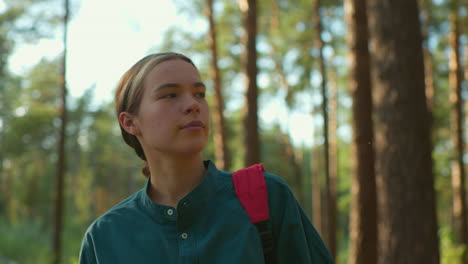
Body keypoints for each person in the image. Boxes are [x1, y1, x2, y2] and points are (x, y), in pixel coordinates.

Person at [79, 52, 333, 264]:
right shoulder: (104, 238)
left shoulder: (267, 196)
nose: (193, 104)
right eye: (170, 94)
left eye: (199, 93)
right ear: (130, 122)